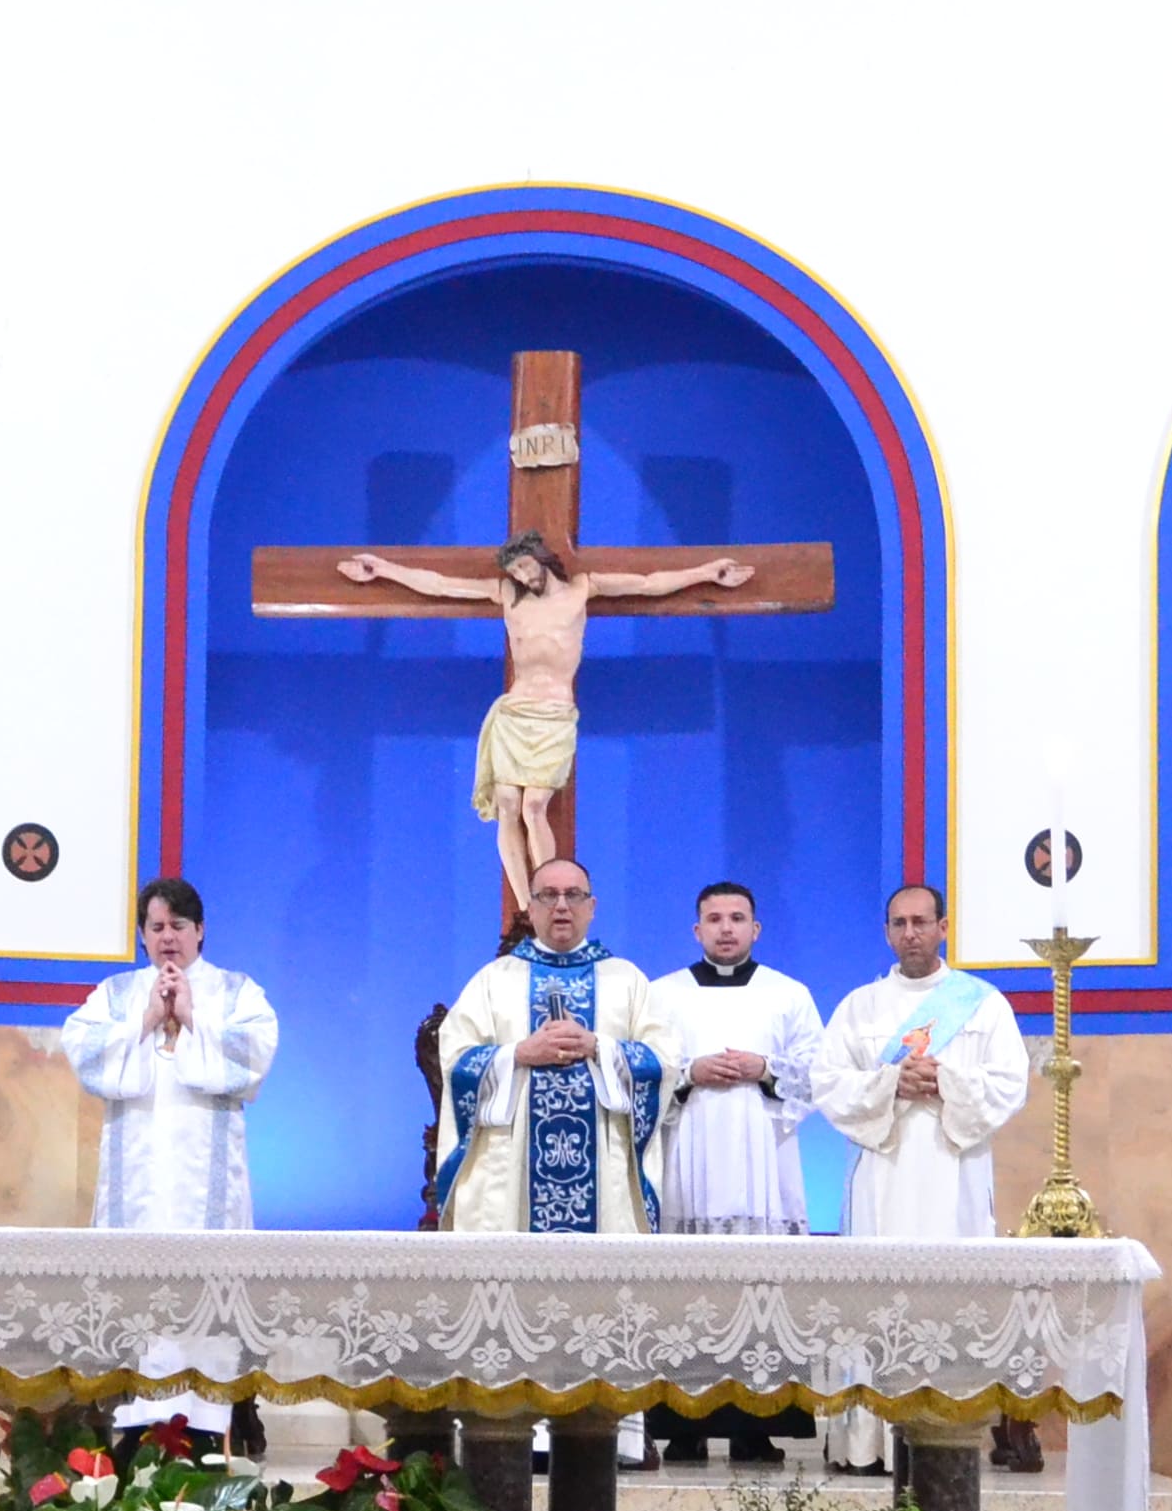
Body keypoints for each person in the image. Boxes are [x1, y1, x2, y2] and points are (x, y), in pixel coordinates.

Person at [332, 537, 756, 909]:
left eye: (524, 565)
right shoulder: (508, 595)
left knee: (534, 806)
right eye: (514, 570)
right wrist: (382, 569)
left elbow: (648, 584)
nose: (520, 575)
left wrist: (706, 573)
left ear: (541, 558)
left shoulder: (582, 588)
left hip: (554, 715)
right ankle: (526, 907)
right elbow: (440, 585)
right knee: (507, 805)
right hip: (514, 712)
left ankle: (550, 895)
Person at [813, 883, 1035, 1472]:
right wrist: (891, 1083)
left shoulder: (982, 1004)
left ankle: (949, 1433)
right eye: (899, 923)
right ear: (887, 932)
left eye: (920, 921)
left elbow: (1010, 1082)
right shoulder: (860, 1006)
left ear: (943, 927)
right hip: (881, 1174)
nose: (910, 933)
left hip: (952, 1171)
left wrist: (944, 1080)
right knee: (874, 1298)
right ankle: (867, 1442)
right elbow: (827, 1082)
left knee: (950, 1295)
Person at [60, 876, 280, 1440]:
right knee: (138, 1295)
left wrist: (193, 1016)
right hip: (137, 1183)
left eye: (178, 926)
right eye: (156, 927)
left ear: (200, 930)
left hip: (205, 1189)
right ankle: (135, 1429)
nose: (167, 938)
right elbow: (81, 1048)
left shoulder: (234, 992)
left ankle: (209, 1428)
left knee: (205, 1295)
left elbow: (256, 1051)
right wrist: (146, 1022)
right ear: (142, 935)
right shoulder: (117, 994)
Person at [640, 879, 824, 1460]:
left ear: (755, 929)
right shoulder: (661, 995)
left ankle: (756, 1426)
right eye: (714, 919)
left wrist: (764, 1067)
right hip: (689, 1157)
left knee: (760, 1288)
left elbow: (821, 1071)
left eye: (737, 918)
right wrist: (689, 1073)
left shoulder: (788, 994)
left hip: (762, 1163)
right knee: (687, 1289)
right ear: (697, 930)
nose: (726, 928)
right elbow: (643, 1070)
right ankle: (682, 1425)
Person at [430, 857, 676, 1235]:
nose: (561, 906)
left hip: (604, 1169)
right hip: (512, 1171)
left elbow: (665, 1059)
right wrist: (519, 1054)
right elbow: (455, 1058)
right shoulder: (493, 980)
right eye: (548, 895)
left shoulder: (627, 980)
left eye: (573, 895)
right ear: (530, 908)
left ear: (592, 907)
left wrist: (599, 1047)